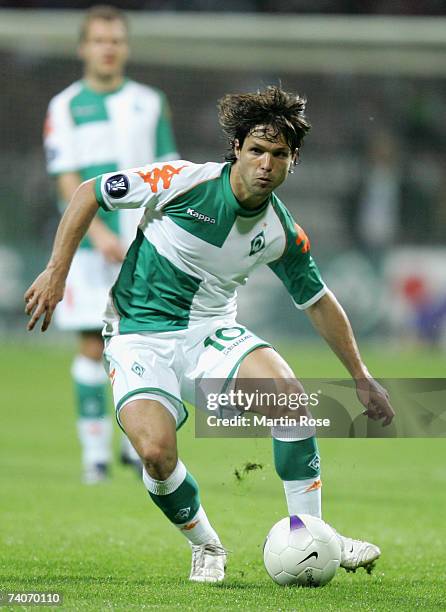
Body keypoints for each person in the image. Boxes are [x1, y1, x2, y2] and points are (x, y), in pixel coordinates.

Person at [26, 86, 395, 582]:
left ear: (293, 161)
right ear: (237, 150)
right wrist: (56, 271)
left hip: (211, 333)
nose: (266, 164)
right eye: (257, 151)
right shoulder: (182, 181)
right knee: (155, 455)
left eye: (279, 154)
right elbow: (89, 191)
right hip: (139, 336)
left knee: (290, 400)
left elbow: (318, 301)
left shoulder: (281, 232)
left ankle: (315, 535)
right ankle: (207, 545)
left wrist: (361, 375)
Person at [43, 5, 178, 484]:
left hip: (144, 243)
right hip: (86, 248)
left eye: (116, 40)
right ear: (84, 47)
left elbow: (169, 170)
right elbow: (67, 178)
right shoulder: (64, 105)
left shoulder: (150, 101)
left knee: (143, 338)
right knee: (88, 344)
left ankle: (130, 443)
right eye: (99, 40)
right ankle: (94, 456)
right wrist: (97, 233)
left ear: (125, 46)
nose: (108, 48)